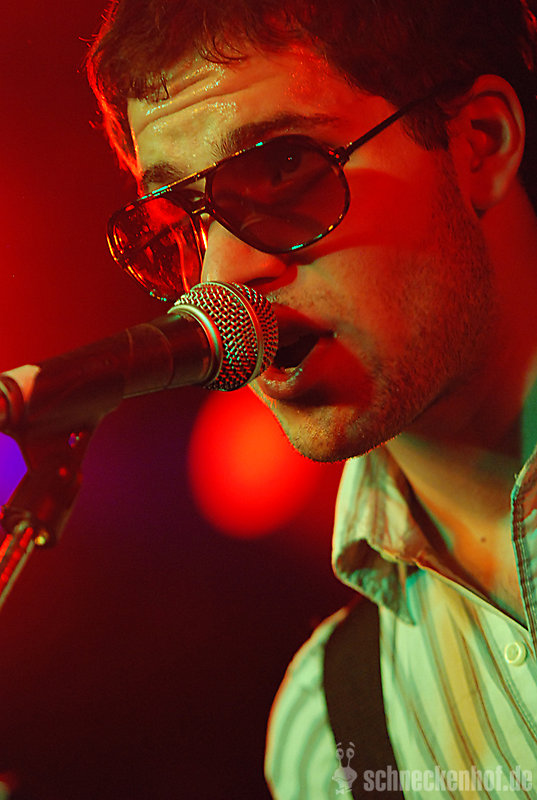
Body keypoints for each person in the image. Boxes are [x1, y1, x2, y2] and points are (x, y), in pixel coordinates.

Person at [87, 0, 537, 796]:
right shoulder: (327, 734)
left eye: (283, 168)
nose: (220, 278)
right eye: (180, 223)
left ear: (480, 143)